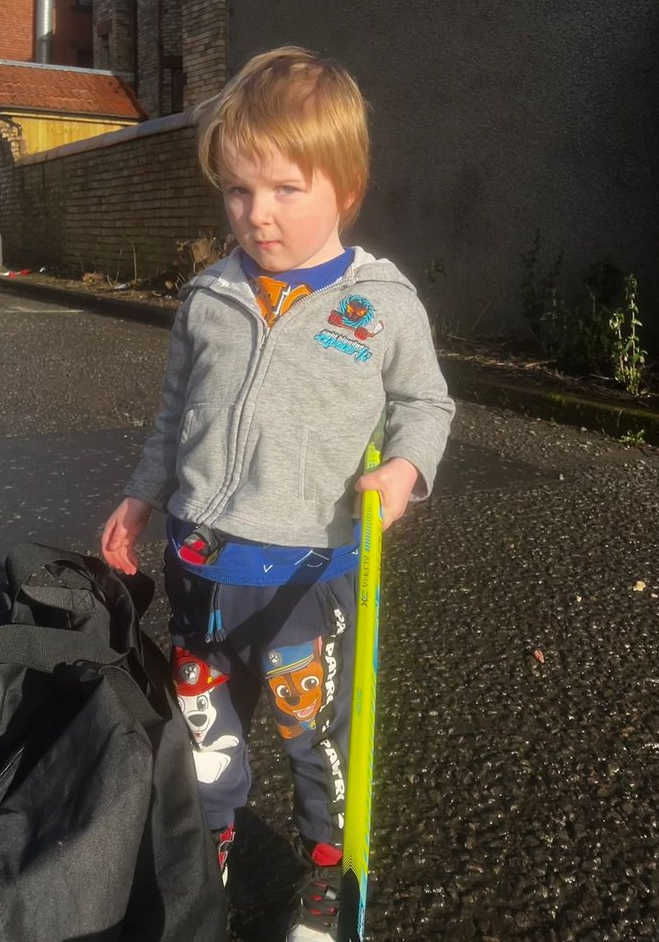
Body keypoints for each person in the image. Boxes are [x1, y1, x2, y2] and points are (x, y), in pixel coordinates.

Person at [101, 46, 454, 941]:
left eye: (285, 190)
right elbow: (175, 414)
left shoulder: (379, 304)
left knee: (316, 743)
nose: (257, 216)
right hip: (197, 566)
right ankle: (203, 848)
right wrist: (143, 496)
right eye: (236, 192)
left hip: (304, 575)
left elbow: (425, 403)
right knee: (202, 731)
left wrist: (406, 469)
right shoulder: (208, 295)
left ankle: (328, 877)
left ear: (345, 183)